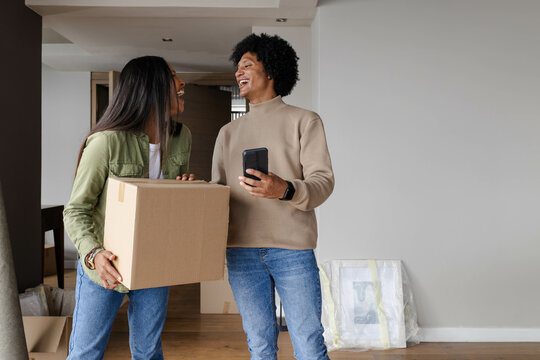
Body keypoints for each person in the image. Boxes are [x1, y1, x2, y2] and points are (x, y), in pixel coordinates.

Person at [211, 34, 334, 360]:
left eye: (247, 65)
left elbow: (323, 182)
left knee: (309, 344)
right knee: (260, 345)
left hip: (292, 249)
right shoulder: (228, 133)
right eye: (237, 68)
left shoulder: (304, 121)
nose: (239, 73)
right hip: (240, 253)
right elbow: (217, 194)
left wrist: (285, 189)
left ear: (272, 70)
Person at [63, 55, 195, 360]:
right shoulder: (105, 143)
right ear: (151, 88)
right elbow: (76, 210)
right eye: (173, 76)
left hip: (155, 262)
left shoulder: (181, 136)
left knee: (148, 352)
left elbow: (169, 200)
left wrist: (186, 187)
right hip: (106, 266)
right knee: (86, 353)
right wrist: (94, 254)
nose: (181, 83)